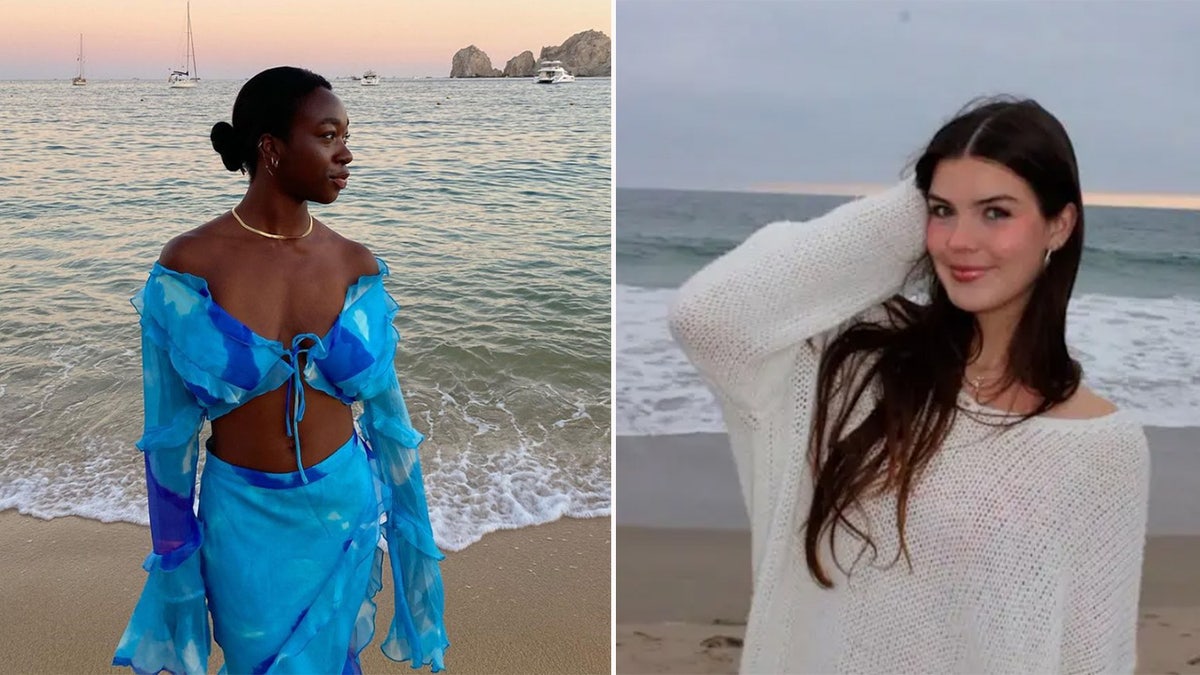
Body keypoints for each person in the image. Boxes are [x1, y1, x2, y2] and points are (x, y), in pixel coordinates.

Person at [668, 96, 1150, 672]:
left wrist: (950, 197)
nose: (960, 241)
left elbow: (1094, 658)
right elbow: (709, 317)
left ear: (1059, 224)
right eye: (943, 211)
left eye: (995, 212)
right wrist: (914, 209)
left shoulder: (1104, 448)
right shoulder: (856, 364)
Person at [112, 66, 449, 674]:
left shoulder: (355, 264)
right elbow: (168, 439)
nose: (346, 154)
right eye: (327, 136)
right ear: (270, 148)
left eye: (345, 135)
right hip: (243, 517)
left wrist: (410, 536)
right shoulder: (191, 264)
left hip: (343, 504)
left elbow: (391, 420)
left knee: (336, 657)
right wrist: (175, 563)